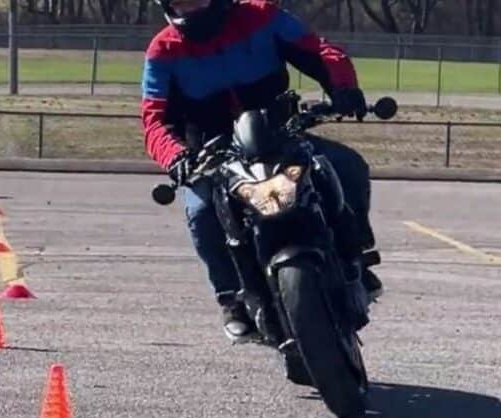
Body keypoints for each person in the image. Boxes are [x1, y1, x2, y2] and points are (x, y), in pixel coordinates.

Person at [141, 0, 383, 342]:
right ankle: (232, 298)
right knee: (201, 211)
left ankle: (354, 256)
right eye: (181, 1)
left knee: (347, 167)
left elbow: (320, 51)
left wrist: (343, 87)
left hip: (281, 136)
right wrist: (176, 156)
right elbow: (154, 119)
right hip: (213, 155)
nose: (191, 6)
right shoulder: (163, 50)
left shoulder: (263, 16)